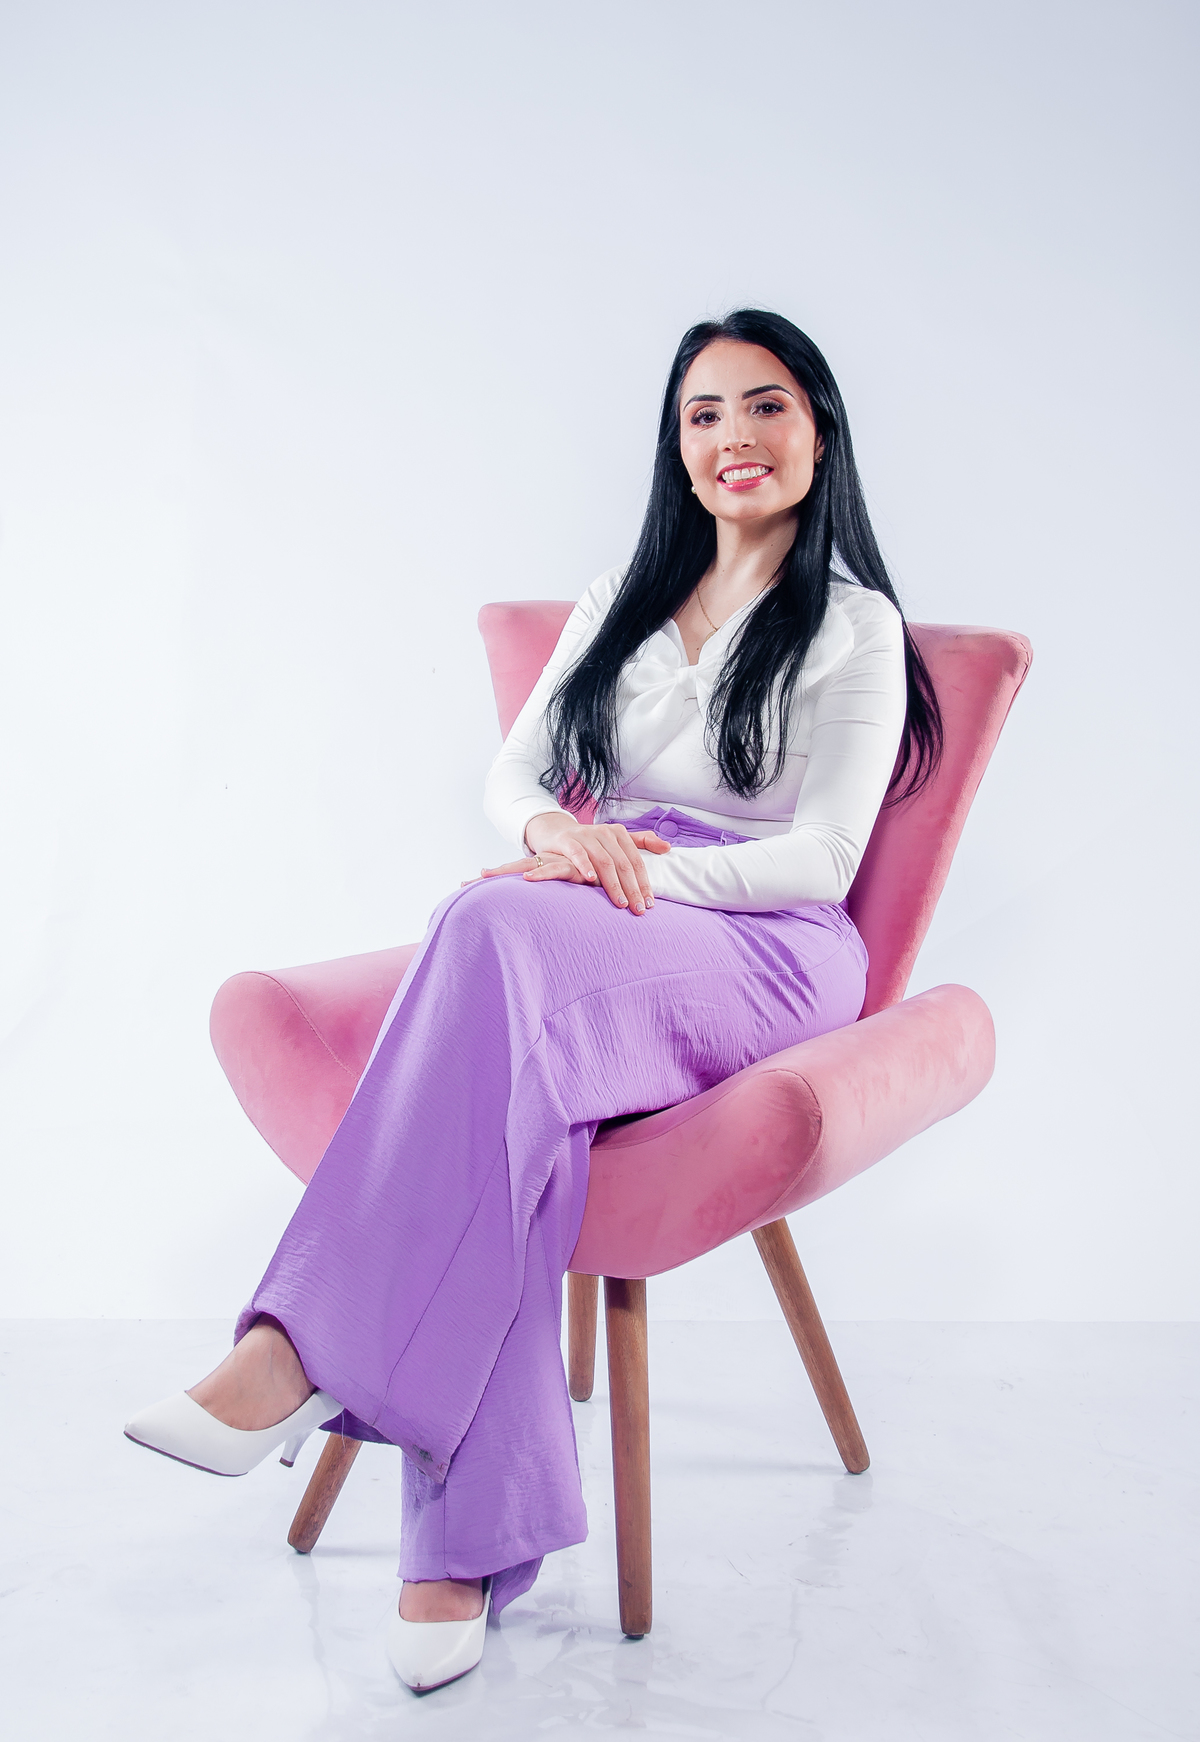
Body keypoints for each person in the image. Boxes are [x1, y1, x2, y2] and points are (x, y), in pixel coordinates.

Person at [124, 308, 942, 1693]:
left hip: (764, 942)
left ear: (820, 430)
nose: (734, 437)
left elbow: (825, 858)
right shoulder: (622, 595)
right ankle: (458, 1546)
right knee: (517, 1076)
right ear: (676, 446)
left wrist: (627, 868)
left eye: (766, 406)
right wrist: (562, 834)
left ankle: (299, 1349)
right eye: (703, 415)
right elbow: (513, 777)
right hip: (594, 908)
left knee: (485, 920)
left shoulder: (853, 624)